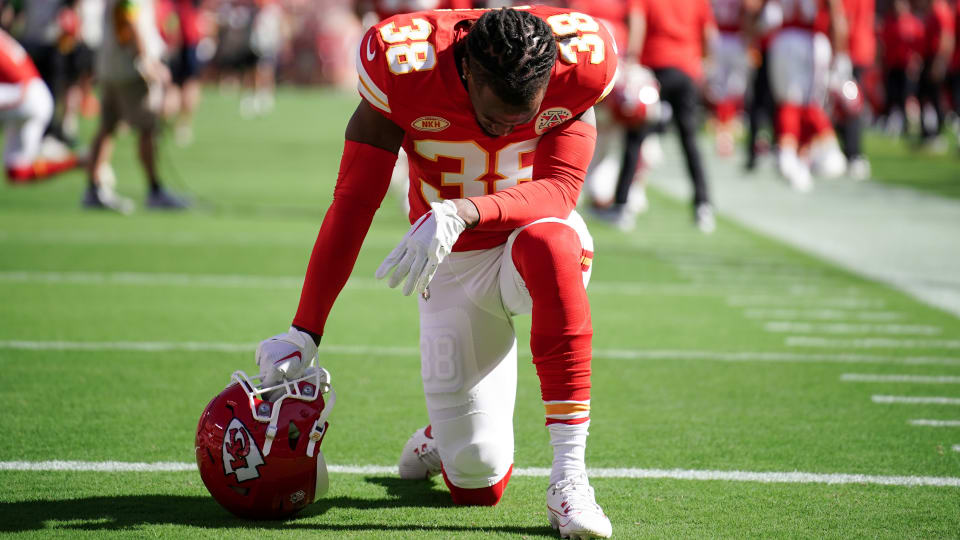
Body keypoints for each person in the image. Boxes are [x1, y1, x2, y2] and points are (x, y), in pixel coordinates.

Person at [254, 7, 616, 538]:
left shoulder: (574, 63)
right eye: (495, 116)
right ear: (467, 70)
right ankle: (441, 440)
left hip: (525, 240)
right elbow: (354, 202)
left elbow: (560, 192)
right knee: (476, 482)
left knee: (552, 242)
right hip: (452, 263)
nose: (506, 131)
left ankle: (570, 479)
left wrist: (465, 209)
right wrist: (303, 330)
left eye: (524, 118)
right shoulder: (405, 65)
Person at [615, 0, 718, 233]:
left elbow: (637, 23)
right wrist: (706, 66)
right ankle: (703, 204)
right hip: (686, 71)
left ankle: (621, 204)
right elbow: (709, 32)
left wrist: (631, 61)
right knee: (689, 141)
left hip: (655, 69)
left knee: (635, 137)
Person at [84, 0, 188, 212]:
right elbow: (130, 21)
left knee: (107, 127)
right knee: (147, 128)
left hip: (110, 66)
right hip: (129, 70)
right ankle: (154, 189)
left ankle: (94, 188)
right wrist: (145, 61)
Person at [766, 0, 849, 191]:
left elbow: (755, 8)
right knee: (808, 104)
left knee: (789, 103)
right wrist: (841, 55)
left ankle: (793, 155)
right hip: (809, 40)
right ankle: (823, 150)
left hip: (783, 40)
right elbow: (836, 13)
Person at [0, 28, 78, 183]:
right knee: (17, 173)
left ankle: (50, 148)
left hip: (24, 95)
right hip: (32, 93)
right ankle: (78, 161)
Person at [915, 0, 955, 147]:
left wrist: (939, 62)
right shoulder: (931, 10)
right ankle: (927, 133)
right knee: (923, 95)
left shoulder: (940, 10)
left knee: (935, 97)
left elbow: (947, 37)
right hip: (928, 58)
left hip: (935, 58)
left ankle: (936, 134)